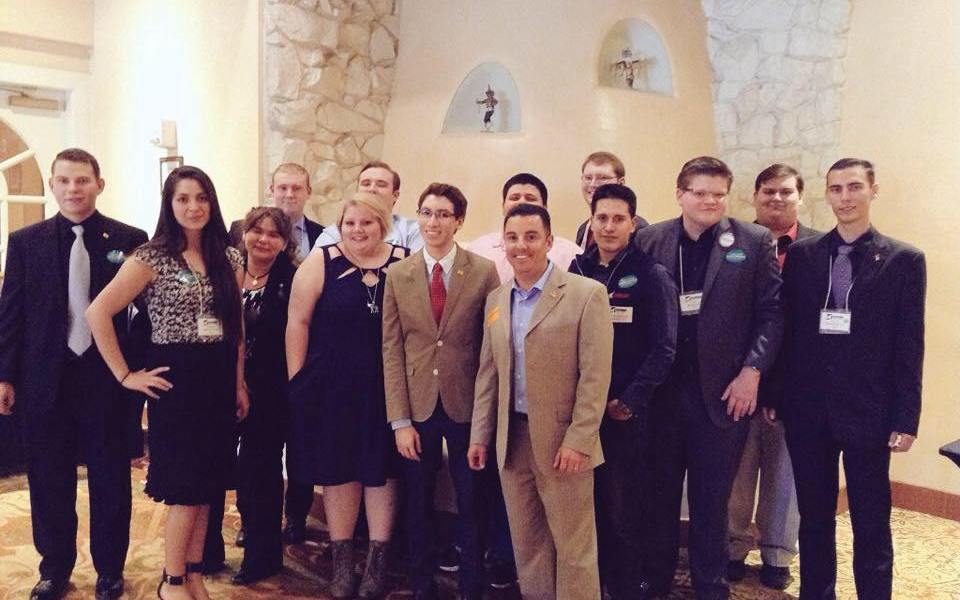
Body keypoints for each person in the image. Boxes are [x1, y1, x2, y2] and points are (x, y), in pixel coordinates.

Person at [86, 165, 248, 600]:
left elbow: (236, 327)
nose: (193, 207)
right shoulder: (150, 257)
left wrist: (238, 383)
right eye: (183, 198)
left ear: (212, 202)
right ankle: (171, 580)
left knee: (208, 485)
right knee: (184, 488)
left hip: (217, 376)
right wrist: (125, 375)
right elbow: (98, 312)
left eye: (201, 197)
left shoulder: (230, 257)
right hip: (176, 380)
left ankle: (193, 574)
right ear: (170, 204)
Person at [0, 148, 147, 600]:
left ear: (99, 184)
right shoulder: (25, 242)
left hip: (107, 380)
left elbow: (141, 316)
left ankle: (110, 570)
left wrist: (135, 373)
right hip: (44, 381)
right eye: (63, 180)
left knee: (110, 481)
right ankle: (54, 569)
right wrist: (4, 376)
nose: (72, 189)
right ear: (51, 185)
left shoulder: (130, 239)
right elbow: (11, 314)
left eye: (82, 180)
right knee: (48, 481)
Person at [634, 156, 782, 600]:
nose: (710, 202)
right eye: (700, 193)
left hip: (722, 395)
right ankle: (654, 584)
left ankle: (711, 587)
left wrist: (752, 372)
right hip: (661, 396)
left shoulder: (753, 241)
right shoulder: (650, 240)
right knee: (658, 499)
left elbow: (772, 314)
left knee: (712, 502)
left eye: (719, 194)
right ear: (680, 194)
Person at [779, 158, 925, 600]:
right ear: (827, 194)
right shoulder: (804, 255)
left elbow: (909, 344)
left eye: (854, 187)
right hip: (808, 411)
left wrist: (906, 416)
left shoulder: (903, 260)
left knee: (871, 520)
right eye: (836, 188)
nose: (845, 197)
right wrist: (776, 395)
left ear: (873, 191)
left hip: (869, 411)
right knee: (814, 517)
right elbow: (789, 332)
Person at [468, 202, 613, 600]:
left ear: (549, 241)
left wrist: (579, 440)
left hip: (563, 443)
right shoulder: (497, 300)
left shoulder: (585, 295)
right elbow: (488, 374)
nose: (521, 246)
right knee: (528, 542)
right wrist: (480, 435)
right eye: (512, 238)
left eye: (531, 237)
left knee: (573, 546)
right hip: (512, 441)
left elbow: (595, 378)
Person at [286, 192, 409, 599]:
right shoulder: (321, 261)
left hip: (387, 388)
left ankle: (376, 565)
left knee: (381, 471)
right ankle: (342, 565)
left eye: (367, 222)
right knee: (340, 472)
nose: (357, 230)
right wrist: (298, 381)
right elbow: (298, 322)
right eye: (350, 223)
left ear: (382, 225)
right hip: (332, 387)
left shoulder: (404, 262)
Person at [382, 183, 500, 600]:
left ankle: (471, 586)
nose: (434, 222)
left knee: (472, 501)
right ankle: (422, 585)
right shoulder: (398, 274)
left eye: (444, 214)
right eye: (427, 213)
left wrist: (485, 418)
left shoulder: (483, 271)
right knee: (417, 502)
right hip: (416, 407)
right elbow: (391, 349)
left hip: (466, 405)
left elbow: (491, 348)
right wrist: (399, 421)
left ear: (459, 221)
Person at [569, 183, 677, 600]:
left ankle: (629, 587)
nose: (609, 226)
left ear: (633, 224)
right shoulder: (576, 271)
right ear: (591, 222)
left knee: (624, 510)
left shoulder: (651, 274)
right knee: (586, 507)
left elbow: (664, 348)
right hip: (581, 414)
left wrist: (630, 401)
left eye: (618, 219)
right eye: (602, 218)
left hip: (624, 414)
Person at [726, 164, 816, 590]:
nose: (776, 199)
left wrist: (782, 389)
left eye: (785, 191)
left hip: (794, 386)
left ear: (800, 196)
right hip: (737, 382)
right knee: (736, 475)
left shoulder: (817, 249)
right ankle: (733, 547)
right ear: (755, 196)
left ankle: (778, 554)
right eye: (768, 191)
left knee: (785, 476)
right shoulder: (734, 242)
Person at [206, 207, 299, 585]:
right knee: (212, 466)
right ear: (243, 234)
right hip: (218, 384)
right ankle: (207, 552)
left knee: (259, 472)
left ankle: (263, 556)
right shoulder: (223, 272)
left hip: (271, 390)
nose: (263, 239)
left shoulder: (293, 280)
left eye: (273, 234)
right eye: (256, 231)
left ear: (285, 242)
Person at [468, 172, 580, 283]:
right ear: (503, 206)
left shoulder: (569, 253)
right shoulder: (478, 250)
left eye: (530, 198)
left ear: (545, 208)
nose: (521, 202)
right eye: (515, 198)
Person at [313, 161, 423, 251]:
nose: (372, 189)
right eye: (366, 184)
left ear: (395, 195)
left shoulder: (412, 231)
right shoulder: (334, 233)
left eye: (381, 185)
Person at [229, 163, 323, 265]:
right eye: (283, 188)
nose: (289, 195)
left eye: (296, 188)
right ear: (272, 190)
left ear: (309, 192)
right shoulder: (239, 230)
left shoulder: (322, 235)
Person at [574, 152, 648, 251]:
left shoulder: (640, 230)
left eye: (603, 178)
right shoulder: (583, 229)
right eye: (588, 178)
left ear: (620, 183)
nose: (593, 184)